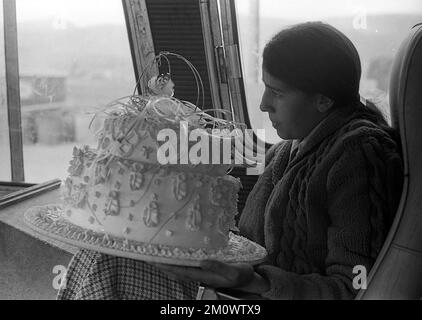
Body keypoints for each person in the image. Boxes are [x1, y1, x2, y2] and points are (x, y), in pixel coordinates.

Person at [58, 22, 403, 300]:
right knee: (111, 257)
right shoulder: (290, 149)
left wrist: (255, 283)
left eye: (278, 93)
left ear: (324, 100)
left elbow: (358, 287)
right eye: (265, 88)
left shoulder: (359, 155)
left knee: (107, 271)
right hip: (238, 293)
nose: (265, 104)